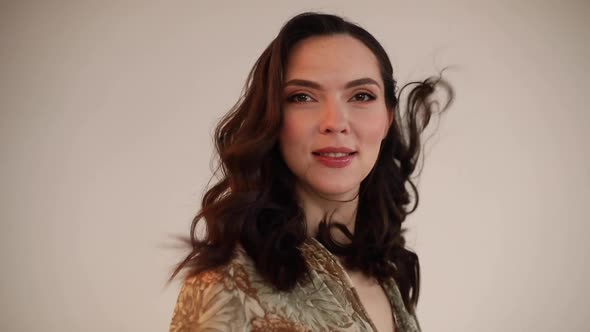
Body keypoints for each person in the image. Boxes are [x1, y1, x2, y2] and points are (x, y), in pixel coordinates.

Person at [168, 12, 453, 332]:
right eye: (302, 97)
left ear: (387, 117)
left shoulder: (388, 273)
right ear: (273, 119)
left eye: (361, 96)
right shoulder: (226, 284)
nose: (334, 122)